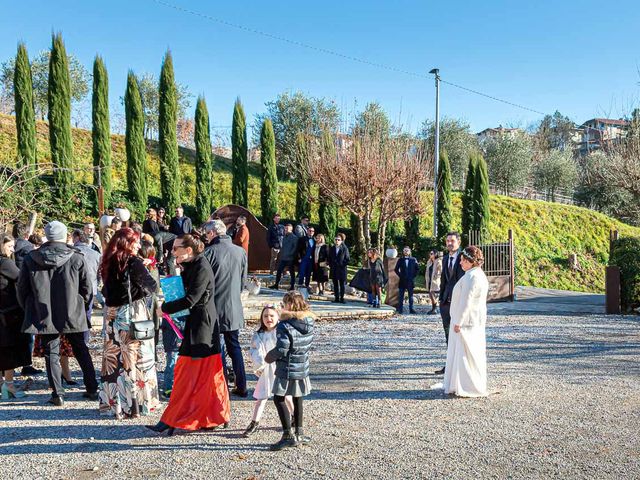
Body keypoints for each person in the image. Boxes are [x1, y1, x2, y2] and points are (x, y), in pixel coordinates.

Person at [147, 234, 230, 435]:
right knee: (199, 373)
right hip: (199, 322)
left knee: (196, 373)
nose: (172, 252)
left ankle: (181, 417)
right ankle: (208, 416)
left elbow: (191, 299)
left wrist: (165, 308)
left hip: (203, 326)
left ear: (189, 250)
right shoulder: (193, 265)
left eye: (176, 248)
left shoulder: (201, 267)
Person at [18, 221, 98, 406]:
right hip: (72, 310)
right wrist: (81, 304)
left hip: (44, 311)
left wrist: (30, 308)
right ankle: (92, 388)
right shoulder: (76, 257)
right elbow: (87, 288)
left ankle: (58, 393)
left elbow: (22, 289)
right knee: (81, 349)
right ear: (65, 236)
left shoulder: (31, 258)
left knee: (51, 353)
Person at [99, 228, 160, 418]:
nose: (139, 245)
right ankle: (136, 405)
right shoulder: (133, 262)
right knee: (137, 358)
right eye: (136, 242)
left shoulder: (107, 261)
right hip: (131, 314)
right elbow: (152, 286)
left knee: (114, 359)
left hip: (111, 315)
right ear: (128, 243)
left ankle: (115, 403)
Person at [202, 220, 248, 397]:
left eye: (207, 234)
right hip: (234, 305)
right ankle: (241, 384)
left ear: (212, 233)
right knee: (234, 346)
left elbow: (204, 283)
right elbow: (243, 282)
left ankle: (222, 387)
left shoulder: (209, 252)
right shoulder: (240, 252)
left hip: (214, 306)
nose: (206, 237)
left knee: (217, 348)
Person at [265, 291, 314, 450]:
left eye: (284, 303)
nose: (282, 306)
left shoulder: (284, 325)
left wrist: (269, 357)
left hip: (287, 367)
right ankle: (299, 433)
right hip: (302, 366)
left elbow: (282, 349)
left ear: (290, 305)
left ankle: (288, 435)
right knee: (297, 397)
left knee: (278, 398)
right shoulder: (309, 321)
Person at [443, 246, 489, 397]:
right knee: (469, 353)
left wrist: (458, 321)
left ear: (471, 261)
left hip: (467, 322)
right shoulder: (477, 274)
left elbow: (466, 301)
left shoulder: (472, 277)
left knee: (465, 354)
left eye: (463, 260)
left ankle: (466, 385)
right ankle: (460, 383)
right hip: (474, 320)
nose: (460, 263)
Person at [243, 305, 293, 437]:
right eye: (265, 316)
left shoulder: (282, 332)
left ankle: (294, 418)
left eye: (272, 316)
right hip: (267, 368)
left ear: (278, 317)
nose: (268, 319)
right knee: (261, 397)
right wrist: (259, 363)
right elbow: (254, 350)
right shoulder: (259, 334)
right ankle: (254, 422)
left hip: (280, 368)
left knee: (286, 396)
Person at [0, 234, 31, 399]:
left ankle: (2, 385)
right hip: (9, 313)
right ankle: (9, 385)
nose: (12, 250)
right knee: (9, 350)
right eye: (10, 246)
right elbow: (21, 277)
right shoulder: (5, 262)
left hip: (3, 312)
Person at [436, 232, 465, 375]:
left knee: (459, 335)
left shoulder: (464, 259)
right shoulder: (446, 258)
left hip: (459, 303)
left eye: (452, 241)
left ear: (458, 243)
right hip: (446, 304)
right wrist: (441, 300)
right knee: (448, 336)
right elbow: (443, 281)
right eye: (447, 241)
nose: (449, 243)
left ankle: (459, 366)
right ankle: (449, 364)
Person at [72, 230, 101, 340]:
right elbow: (99, 273)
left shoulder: (71, 252)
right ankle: (85, 339)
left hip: (73, 288)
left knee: (73, 315)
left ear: (77, 238)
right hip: (90, 287)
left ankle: (74, 340)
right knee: (87, 314)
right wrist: (96, 283)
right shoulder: (96, 255)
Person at [143, 208, 176, 275]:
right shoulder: (150, 234)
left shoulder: (156, 237)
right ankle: (170, 277)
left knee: (169, 261)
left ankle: (173, 279)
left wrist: (158, 259)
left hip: (175, 241)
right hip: (168, 242)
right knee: (168, 261)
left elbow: (160, 248)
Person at [269, 224, 298, 291]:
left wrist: (290, 254)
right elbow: (282, 247)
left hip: (290, 258)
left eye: (287, 229)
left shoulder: (294, 237)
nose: (285, 230)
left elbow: (295, 248)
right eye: (285, 229)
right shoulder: (284, 237)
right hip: (283, 258)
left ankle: (292, 286)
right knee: (279, 271)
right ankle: (276, 284)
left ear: (291, 229)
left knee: (292, 272)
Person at [394, 247, 419, 314]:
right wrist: (400, 276)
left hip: (410, 281)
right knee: (401, 296)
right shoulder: (400, 260)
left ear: (410, 251)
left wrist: (413, 276)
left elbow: (417, 269)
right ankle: (400, 310)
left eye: (407, 250)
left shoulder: (414, 259)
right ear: (403, 251)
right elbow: (396, 269)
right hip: (402, 280)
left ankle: (411, 309)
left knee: (411, 296)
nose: (406, 251)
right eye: (404, 250)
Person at [328, 235, 350, 303]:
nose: (337, 241)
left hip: (341, 269)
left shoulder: (344, 248)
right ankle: (336, 298)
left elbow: (347, 259)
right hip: (334, 268)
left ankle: (342, 298)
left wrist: (341, 264)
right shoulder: (332, 248)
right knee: (335, 284)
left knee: (342, 284)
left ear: (341, 241)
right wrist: (331, 264)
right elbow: (329, 258)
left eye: (338, 240)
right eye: (336, 239)